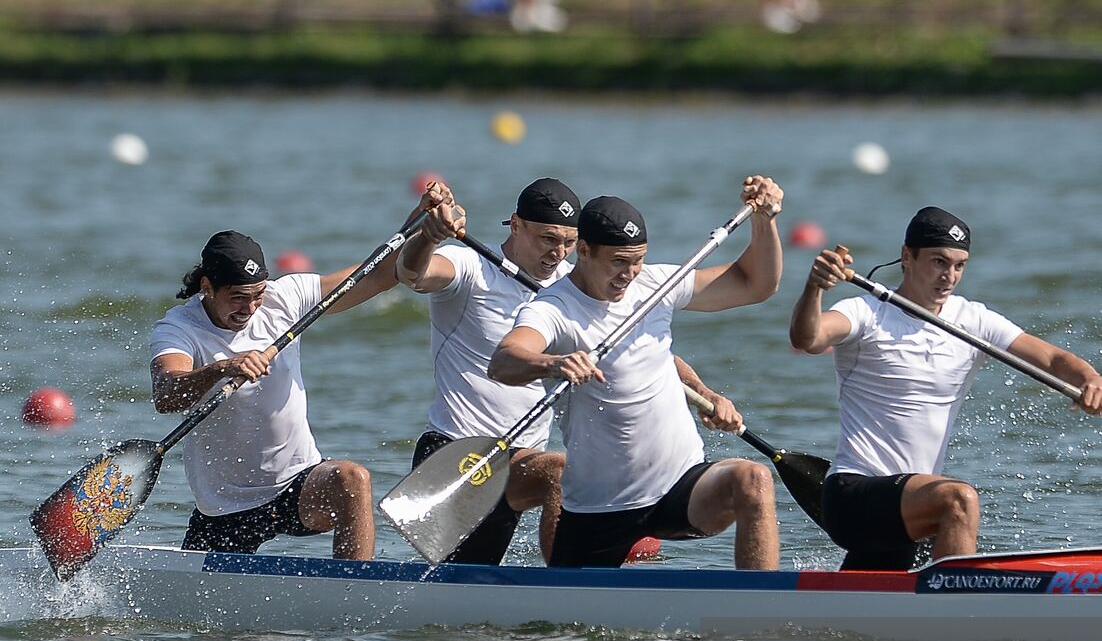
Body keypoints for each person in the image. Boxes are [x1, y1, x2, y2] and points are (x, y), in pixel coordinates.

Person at [395, 179, 743, 565]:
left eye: (566, 242)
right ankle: (568, 589)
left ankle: (580, 587)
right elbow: (413, 274)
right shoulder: (471, 266)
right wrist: (428, 237)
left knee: (482, 571)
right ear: (515, 225)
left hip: (522, 458)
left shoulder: (576, 286)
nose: (556, 252)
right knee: (559, 473)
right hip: (457, 452)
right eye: (546, 238)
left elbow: (643, 353)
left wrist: (703, 394)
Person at [789, 206, 1102, 570]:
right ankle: (959, 606)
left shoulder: (972, 320)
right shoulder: (867, 312)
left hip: (911, 511)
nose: (949, 276)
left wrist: (1091, 380)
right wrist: (814, 288)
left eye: (960, 265)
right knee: (958, 500)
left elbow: (1052, 359)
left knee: (877, 603)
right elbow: (810, 337)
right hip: (854, 494)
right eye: (939, 262)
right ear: (907, 257)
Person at [488, 177, 785, 570]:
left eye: (637, 260)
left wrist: (764, 221)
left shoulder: (656, 285)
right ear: (584, 250)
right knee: (566, 625)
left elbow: (756, 284)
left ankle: (759, 613)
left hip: (679, 486)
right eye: (618, 262)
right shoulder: (553, 309)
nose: (629, 275)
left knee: (753, 481)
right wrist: (553, 363)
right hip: (599, 506)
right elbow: (505, 360)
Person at [151, 227, 406, 560]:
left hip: (295, 485)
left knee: (351, 480)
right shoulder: (179, 329)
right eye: (239, 297)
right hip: (225, 507)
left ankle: (351, 593)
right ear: (207, 287)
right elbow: (167, 394)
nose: (251, 307)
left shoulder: (285, 297)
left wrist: (425, 225)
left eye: (257, 294)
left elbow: (381, 276)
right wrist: (223, 368)